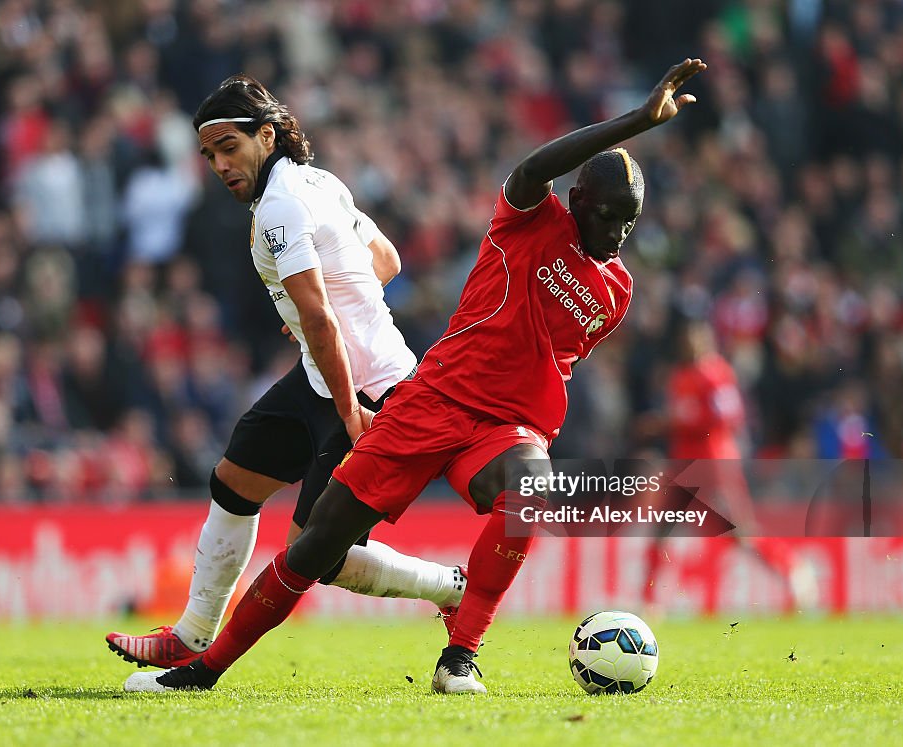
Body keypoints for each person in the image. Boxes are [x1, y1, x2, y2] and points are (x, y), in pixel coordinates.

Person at [124, 58, 709, 694]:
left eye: (628, 222)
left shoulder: (616, 290)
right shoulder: (526, 218)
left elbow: (539, 350)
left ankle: (460, 657)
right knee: (315, 548)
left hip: (503, 425)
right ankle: (201, 668)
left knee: (531, 494)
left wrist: (340, 319)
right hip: (429, 398)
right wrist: (637, 122)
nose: (616, 235)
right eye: (605, 217)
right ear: (575, 201)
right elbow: (532, 168)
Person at [107, 75, 467, 669]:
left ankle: (453, 587)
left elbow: (324, 318)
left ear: (266, 136)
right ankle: (194, 632)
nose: (220, 164)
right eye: (210, 154)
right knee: (234, 481)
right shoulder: (321, 182)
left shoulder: (277, 206)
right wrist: (312, 310)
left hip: (367, 389)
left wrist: (348, 400)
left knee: (316, 554)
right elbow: (386, 261)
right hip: (322, 375)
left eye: (229, 147)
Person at [640, 317, 818, 611]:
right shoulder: (680, 376)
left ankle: (793, 569)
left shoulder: (717, 374)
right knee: (661, 530)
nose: (691, 344)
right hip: (684, 465)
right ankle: (649, 603)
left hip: (713, 465)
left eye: (696, 338)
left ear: (707, 340)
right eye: (686, 339)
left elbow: (729, 417)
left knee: (741, 533)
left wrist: (673, 421)